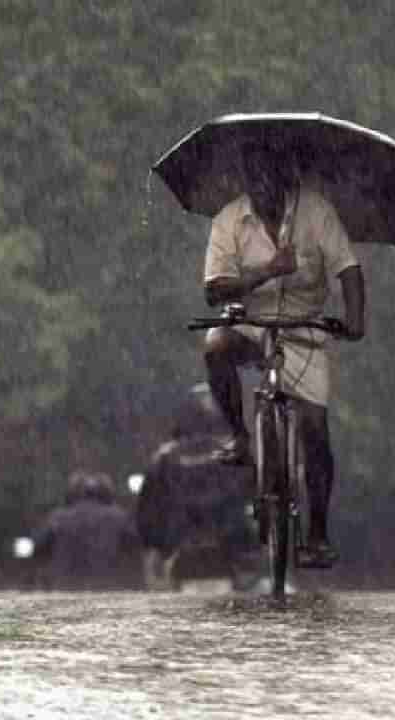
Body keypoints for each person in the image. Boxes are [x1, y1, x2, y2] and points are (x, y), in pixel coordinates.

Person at [200, 146, 366, 568]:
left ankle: (317, 534)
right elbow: (215, 290)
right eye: (256, 182)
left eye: (274, 182)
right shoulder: (229, 220)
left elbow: (348, 269)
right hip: (251, 324)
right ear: (247, 183)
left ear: (289, 179)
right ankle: (239, 436)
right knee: (216, 346)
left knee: (315, 429)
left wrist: (355, 320)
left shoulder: (317, 214)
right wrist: (269, 271)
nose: (265, 191)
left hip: (303, 329)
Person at [136, 384, 257, 589]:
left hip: (178, 550)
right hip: (231, 550)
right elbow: (256, 500)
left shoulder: (165, 457)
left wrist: (154, 548)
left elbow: (148, 513)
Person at [30, 471, 142, 591]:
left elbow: (37, 547)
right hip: (107, 588)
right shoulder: (119, 517)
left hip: (65, 587)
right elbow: (137, 545)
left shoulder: (58, 518)